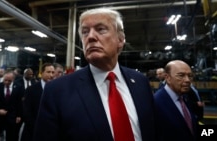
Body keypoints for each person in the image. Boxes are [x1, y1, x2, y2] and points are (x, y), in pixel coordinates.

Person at [33, 7, 157, 141]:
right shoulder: (57, 91)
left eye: (101, 29)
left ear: (120, 40)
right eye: (85, 32)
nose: (90, 37)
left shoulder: (140, 82)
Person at [154, 60, 199, 141]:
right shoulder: (155, 103)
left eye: (190, 76)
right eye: (181, 75)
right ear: (168, 78)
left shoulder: (185, 97)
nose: (187, 80)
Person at [21, 63, 55, 141]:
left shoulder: (56, 90)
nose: (51, 75)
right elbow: (27, 112)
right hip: (32, 131)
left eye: (53, 72)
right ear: (41, 73)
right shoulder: (31, 90)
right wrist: (38, 127)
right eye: (48, 72)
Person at [0, 71, 24, 141]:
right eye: (5, 80)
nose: (7, 82)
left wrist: (19, 115)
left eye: (9, 81)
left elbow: (19, 102)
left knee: (11, 136)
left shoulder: (19, 87)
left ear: (13, 79)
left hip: (11, 116)